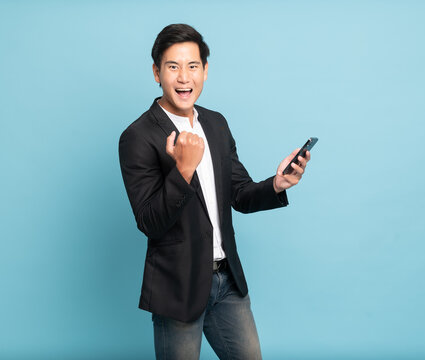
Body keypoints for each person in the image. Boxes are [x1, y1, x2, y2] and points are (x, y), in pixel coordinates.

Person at [118, 23, 311, 360]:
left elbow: (239, 193)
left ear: (205, 72)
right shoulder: (138, 136)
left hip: (227, 284)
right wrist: (183, 169)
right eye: (173, 67)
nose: (183, 78)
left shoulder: (216, 124)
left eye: (193, 66)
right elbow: (150, 221)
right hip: (177, 288)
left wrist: (277, 184)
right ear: (156, 72)